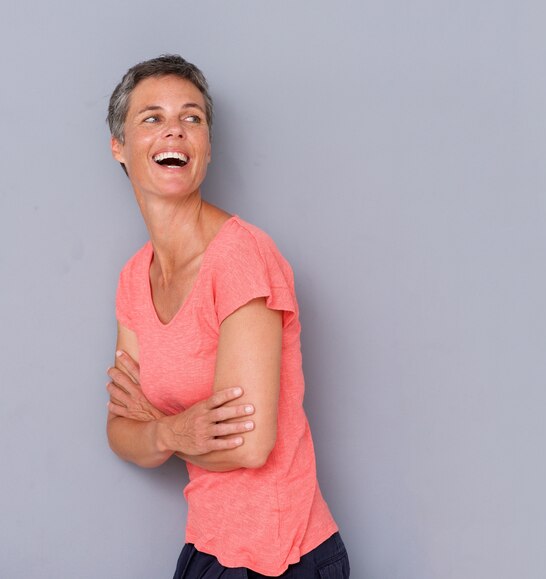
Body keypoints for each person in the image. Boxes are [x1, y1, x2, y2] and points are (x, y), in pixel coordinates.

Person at [104, 55, 350, 578]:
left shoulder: (241, 258)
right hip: (209, 547)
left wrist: (157, 428)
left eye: (192, 118)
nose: (175, 128)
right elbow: (120, 432)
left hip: (285, 557)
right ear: (118, 146)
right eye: (152, 117)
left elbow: (252, 445)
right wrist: (175, 432)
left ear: (207, 148)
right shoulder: (132, 279)